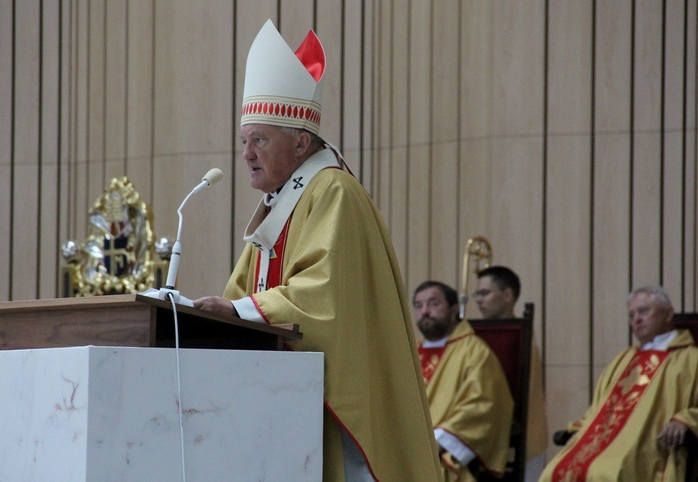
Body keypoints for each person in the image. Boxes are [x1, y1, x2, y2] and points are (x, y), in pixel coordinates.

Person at [192, 20, 442, 482]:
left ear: (302, 142)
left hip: (332, 407)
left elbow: (323, 296)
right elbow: (242, 291)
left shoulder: (332, 192)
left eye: (260, 140)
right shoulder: (283, 201)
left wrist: (241, 309)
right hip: (286, 399)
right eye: (244, 141)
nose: (246, 154)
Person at [539, 285, 698, 481]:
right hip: (603, 446)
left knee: (607, 474)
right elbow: (599, 406)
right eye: (631, 315)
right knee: (552, 472)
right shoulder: (623, 359)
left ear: (668, 313)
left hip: (648, 449)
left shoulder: (692, 359)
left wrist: (684, 420)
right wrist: (579, 430)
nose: (636, 320)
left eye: (643, 311)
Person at [413, 280, 513, 481]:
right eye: (418, 305)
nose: (424, 311)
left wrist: (435, 442)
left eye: (433, 304)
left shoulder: (475, 352)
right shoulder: (410, 353)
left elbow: (482, 405)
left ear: (454, 309)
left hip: (439, 449)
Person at [475, 266, 549, 482]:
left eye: (484, 293)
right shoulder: (476, 338)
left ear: (507, 295)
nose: (478, 300)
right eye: (476, 294)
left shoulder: (520, 340)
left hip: (522, 437)